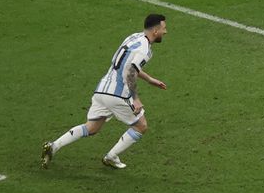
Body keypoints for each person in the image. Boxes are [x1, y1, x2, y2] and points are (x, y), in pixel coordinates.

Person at [42, 14, 169, 171]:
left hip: (102, 89)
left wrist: (149, 79)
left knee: (92, 127)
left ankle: (54, 146)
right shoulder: (145, 50)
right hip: (118, 94)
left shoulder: (133, 37)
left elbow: (125, 63)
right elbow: (130, 72)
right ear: (155, 30)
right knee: (141, 126)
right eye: (164, 29)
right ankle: (111, 156)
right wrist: (135, 98)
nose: (166, 32)